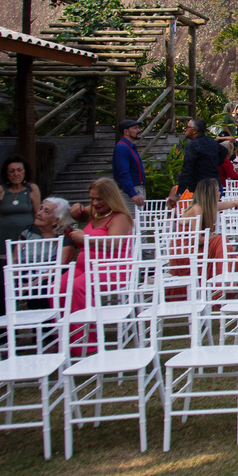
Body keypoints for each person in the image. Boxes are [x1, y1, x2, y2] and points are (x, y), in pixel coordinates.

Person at [63, 179, 133, 352]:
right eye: (91, 198)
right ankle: (65, 338)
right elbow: (80, 214)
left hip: (111, 268)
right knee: (58, 286)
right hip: (84, 266)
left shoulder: (120, 217)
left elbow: (114, 243)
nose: (94, 203)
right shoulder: (95, 212)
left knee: (77, 287)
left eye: (99, 199)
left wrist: (85, 239)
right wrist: (76, 209)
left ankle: (86, 343)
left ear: (110, 198)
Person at [180, 178, 238, 278]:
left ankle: (227, 276)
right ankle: (226, 277)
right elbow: (197, 240)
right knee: (220, 241)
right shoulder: (197, 209)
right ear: (211, 193)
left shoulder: (209, 206)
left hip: (199, 246)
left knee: (221, 241)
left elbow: (235, 203)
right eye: (217, 191)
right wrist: (215, 236)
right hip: (185, 249)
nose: (220, 193)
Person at [0, 154, 43, 316]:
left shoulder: (32, 189)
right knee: (2, 276)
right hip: (3, 237)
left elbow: (38, 214)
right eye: (11, 171)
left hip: (25, 239)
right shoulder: (0, 190)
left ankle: (27, 305)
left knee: (24, 273)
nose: (16, 174)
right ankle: (2, 310)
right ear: (6, 173)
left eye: (19, 170)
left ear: (25, 172)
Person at [168, 117, 227, 206]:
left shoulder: (192, 146)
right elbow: (224, 151)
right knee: (212, 213)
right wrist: (215, 163)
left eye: (187, 127)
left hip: (202, 189)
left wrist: (178, 193)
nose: (185, 129)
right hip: (215, 186)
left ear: (194, 130)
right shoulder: (212, 142)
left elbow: (187, 170)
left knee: (198, 213)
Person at [113, 119, 147, 213]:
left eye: (138, 128)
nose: (139, 130)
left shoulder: (130, 147)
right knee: (132, 218)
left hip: (137, 188)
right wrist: (133, 194)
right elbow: (123, 172)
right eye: (135, 128)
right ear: (126, 131)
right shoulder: (122, 147)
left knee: (139, 219)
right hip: (130, 191)